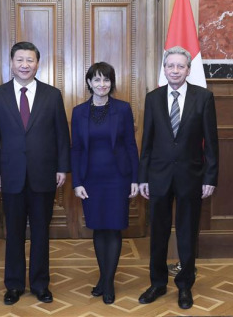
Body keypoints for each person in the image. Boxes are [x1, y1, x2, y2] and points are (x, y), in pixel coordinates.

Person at [0, 41, 71, 305]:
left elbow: (62, 136)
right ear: (11, 63)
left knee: (41, 233)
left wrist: (62, 168)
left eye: (30, 60)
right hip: (9, 175)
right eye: (19, 60)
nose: (24, 65)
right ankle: (13, 285)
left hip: (43, 174)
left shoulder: (52, 95)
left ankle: (40, 284)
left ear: (37, 63)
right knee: (14, 233)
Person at [138, 46, 219, 309]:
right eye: (170, 65)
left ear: (188, 69)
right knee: (158, 232)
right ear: (164, 68)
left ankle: (185, 286)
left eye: (180, 66)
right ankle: (157, 283)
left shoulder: (204, 98)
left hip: (191, 176)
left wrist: (210, 177)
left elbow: (211, 142)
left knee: (187, 233)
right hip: (158, 177)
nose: (174, 70)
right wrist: (143, 178)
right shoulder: (153, 98)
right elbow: (146, 142)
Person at [71, 62, 139, 305]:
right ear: (89, 83)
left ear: (112, 83)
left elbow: (131, 145)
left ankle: (108, 283)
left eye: (106, 80)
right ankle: (105, 277)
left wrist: (135, 178)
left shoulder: (122, 109)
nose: (102, 85)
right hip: (91, 180)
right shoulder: (79, 112)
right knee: (99, 229)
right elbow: (76, 149)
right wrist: (77, 181)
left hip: (118, 178)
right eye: (97, 80)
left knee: (114, 228)